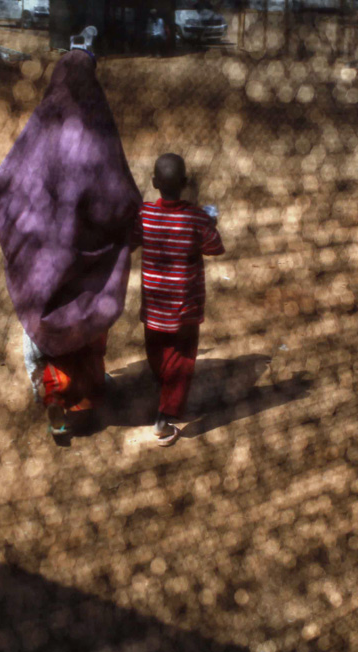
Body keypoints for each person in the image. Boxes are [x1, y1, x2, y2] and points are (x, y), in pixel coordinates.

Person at [0, 36, 141, 441]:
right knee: (87, 341)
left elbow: (0, 189)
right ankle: (88, 401)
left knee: (41, 348)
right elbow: (120, 198)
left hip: (42, 270)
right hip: (88, 272)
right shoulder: (97, 132)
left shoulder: (41, 127)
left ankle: (59, 414)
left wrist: (26, 238)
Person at [134, 153, 225, 445]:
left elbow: (133, 238)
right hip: (185, 308)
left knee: (158, 352)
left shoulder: (144, 214)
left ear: (153, 183)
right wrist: (210, 222)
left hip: (154, 306)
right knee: (182, 360)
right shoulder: (196, 217)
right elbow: (215, 247)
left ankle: (164, 389)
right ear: (185, 183)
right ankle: (165, 416)